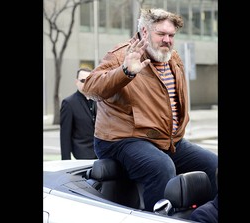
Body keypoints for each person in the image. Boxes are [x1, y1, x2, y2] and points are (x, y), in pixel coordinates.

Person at [82, 8, 217, 211]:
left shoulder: (172, 58)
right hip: (122, 138)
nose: (167, 40)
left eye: (171, 35)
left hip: (165, 140)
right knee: (160, 167)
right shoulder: (122, 55)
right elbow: (91, 87)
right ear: (144, 32)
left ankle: (207, 218)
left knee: (213, 165)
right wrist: (125, 71)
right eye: (161, 34)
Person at [60, 67, 97, 160]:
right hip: (82, 155)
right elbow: (65, 136)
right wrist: (66, 162)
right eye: (83, 80)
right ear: (76, 82)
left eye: (89, 80)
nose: (86, 84)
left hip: (101, 153)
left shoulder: (99, 100)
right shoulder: (69, 103)